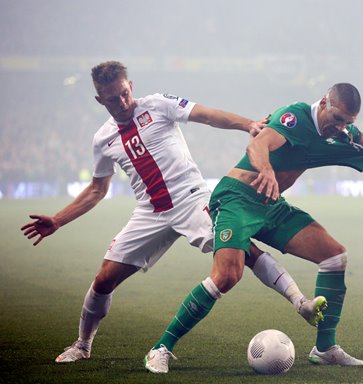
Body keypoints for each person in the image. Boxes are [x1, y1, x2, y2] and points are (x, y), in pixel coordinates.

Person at [144, 82, 363, 374]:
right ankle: (161, 348)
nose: (340, 127)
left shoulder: (341, 133)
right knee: (227, 276)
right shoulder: (295, 116)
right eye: (337, 117)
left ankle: (325, 348)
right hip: (236, 198)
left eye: (347, 123)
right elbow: (257, 146)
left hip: (271, 205)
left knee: (334, 256)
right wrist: (267, 171)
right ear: (325, 101)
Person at [20, 61, 325, 364]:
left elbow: (205, 115)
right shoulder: (102, 139)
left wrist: (247, 124)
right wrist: (58, 220)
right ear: (100, 99)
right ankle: (82, 346)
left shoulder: (157, 104)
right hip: (149, 212)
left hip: (193, 200)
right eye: (112, 99)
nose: (122, 103)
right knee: (102, 281)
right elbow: (98, 189)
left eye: (124, 94)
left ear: (131, 87)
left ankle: (300, 303)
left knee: (243, 250)